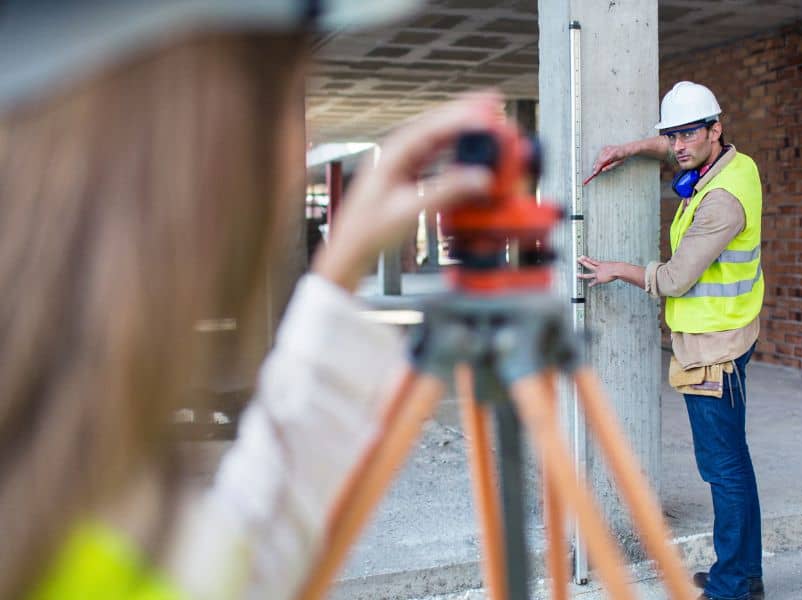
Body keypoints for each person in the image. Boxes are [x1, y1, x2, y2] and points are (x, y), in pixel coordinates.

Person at [0, 2, 499, 598]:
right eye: (285, 102)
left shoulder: (72, 493)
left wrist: (338, 272)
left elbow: (231, 567)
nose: (296, 152)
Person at [579, 81, 764, 600]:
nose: (678, 146)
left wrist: (618, 269)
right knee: (732, 462)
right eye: (672, 136)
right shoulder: (730, 163)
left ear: (716, 129)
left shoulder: (722, 201)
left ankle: (734, 586)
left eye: (689, 135)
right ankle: (744, 575)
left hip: (715, 348)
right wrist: (630, 148)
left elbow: (676, 278)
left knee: (723, 469)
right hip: (724, 333)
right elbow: (672, 145)